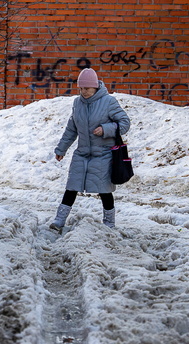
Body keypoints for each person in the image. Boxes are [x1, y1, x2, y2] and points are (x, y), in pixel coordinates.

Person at [50, 68, 131, 231]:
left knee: (104, 191)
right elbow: (71, 129)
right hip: (82, 154)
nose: (83, 91)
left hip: (104, 155)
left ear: (95, 87)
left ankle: (109, 223)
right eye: (80, 88)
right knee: (71, 187)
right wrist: (61, 149)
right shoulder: (77, 103)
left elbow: (125, 123)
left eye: (86, 88)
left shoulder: (108, 102)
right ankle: (59, 220)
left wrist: (105, 129)